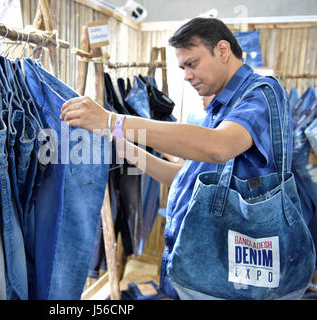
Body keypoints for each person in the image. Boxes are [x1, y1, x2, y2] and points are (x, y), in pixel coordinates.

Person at [60, 17, 292, 299]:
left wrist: (112, 120)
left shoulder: (260, 95)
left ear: (222, 50)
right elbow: (186, 178)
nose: (185, 75)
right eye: (182, 67)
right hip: (207, 267)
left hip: (233, 273)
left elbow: (218, 147)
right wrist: (131, 150)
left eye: (191, 64)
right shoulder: (220, 109)